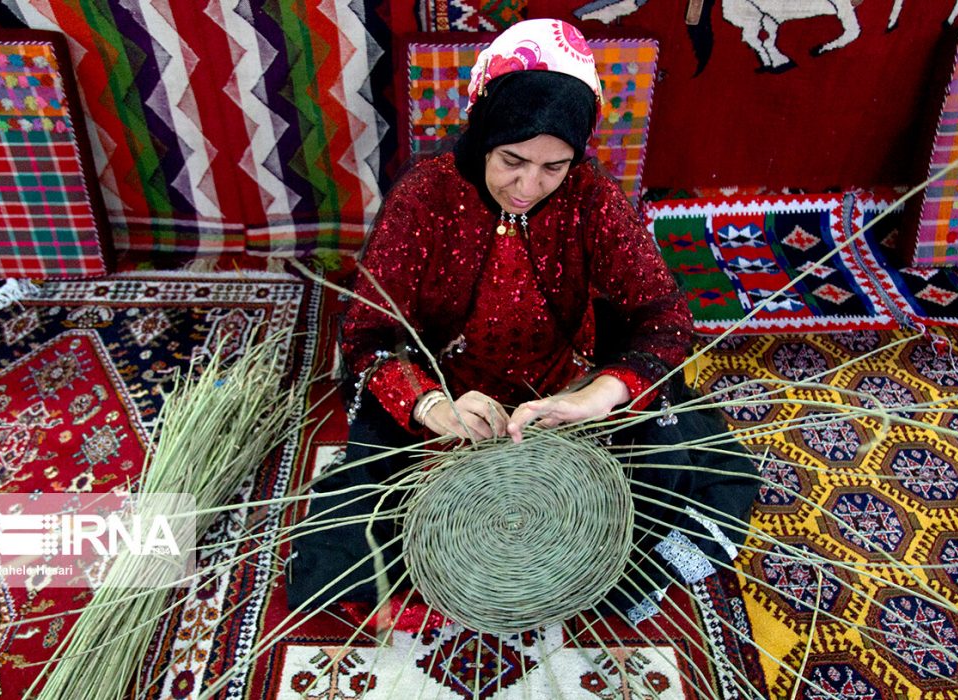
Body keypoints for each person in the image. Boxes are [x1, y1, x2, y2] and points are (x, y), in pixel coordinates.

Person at [288, 18, 757, 623]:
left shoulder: (591, 197)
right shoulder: (425, 197)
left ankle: (578, 561)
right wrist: (433, 408)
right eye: (512, 159)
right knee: (359, 519)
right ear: (485, 129)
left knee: (678, 473)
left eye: (553, 167)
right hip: (451, 389)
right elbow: (367, 335)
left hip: (563, 384)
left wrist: (596, 398)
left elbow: (664, 318)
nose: (528, 186)